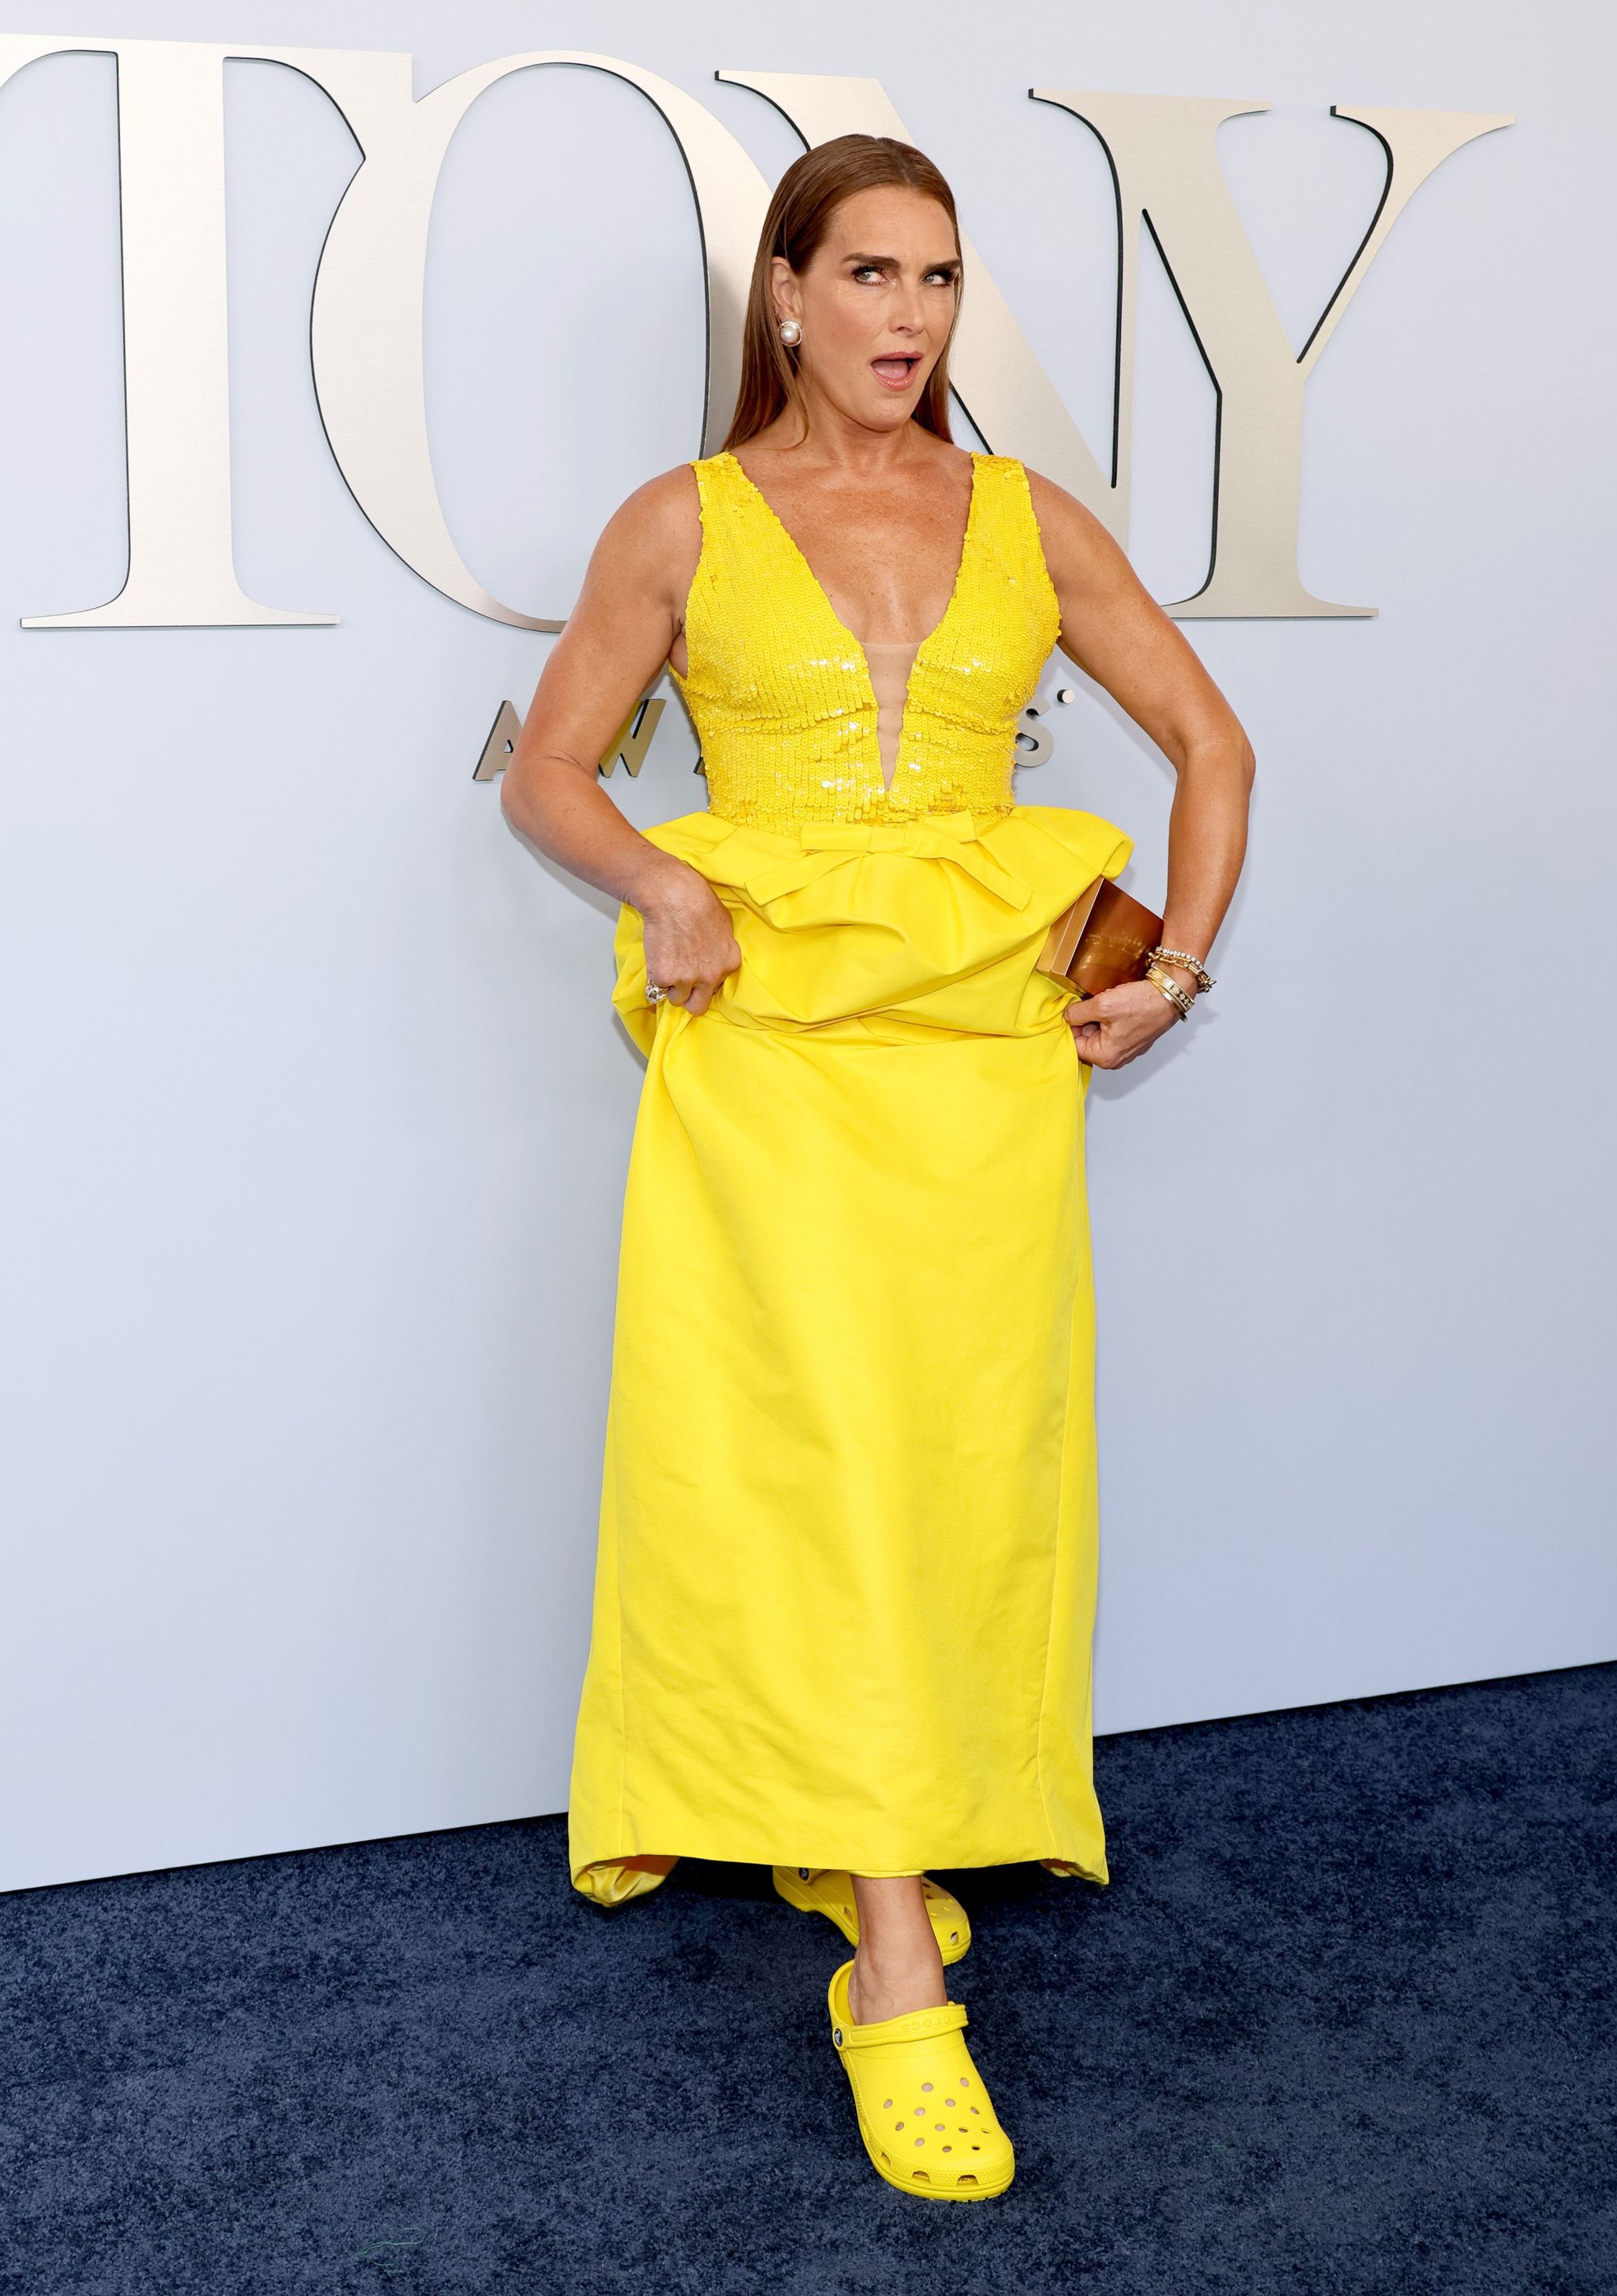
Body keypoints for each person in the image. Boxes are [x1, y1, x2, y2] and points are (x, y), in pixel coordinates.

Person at [499, 133, 1253, 2202]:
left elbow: (1213, 742)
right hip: (770, 1076)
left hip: (983, 1081)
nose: (910, 318)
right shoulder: (684, 519)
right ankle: (895, 1969)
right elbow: (550, 772)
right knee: (803, 1460)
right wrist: (658, 879)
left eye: (938, 280)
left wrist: (1173, 967)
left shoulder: (1025, 517)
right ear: (787, 295)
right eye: (872, 276)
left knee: (951, 1466)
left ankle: (866, 1818)